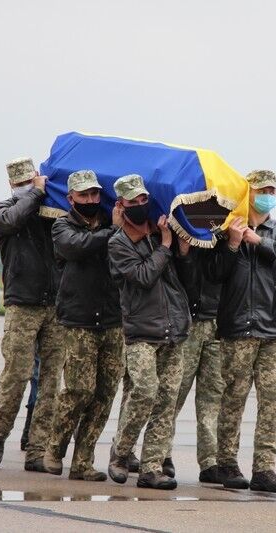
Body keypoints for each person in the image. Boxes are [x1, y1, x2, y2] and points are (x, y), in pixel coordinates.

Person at [204, 170, 276, 493]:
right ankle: (227, 462)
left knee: (271, 403)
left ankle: (264, 469)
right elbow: (213, 275)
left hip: (274, 330)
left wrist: (260, 242)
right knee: (233, 399)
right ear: (247, 194)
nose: (267, 194)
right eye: (260, 189)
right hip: (237, 328)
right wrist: (233, 244)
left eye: (272, 188)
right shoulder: (227, 231)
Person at [107, 174, 190, 490]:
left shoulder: (160, 235)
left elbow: (179, 277)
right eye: (133, 202)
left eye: (143, 199)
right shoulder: (118, 244)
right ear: (121, 205)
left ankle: (152, 468)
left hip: (173, 330)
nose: (140, 205)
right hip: (142, 331)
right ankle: (121, 452)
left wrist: (179, 248)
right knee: (144, 391)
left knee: (166, 402)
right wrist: (166, 247)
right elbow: (143, 276)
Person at [0, 157, 65, 471]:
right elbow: (13, 219)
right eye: (21, 185)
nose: (25, 188)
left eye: (29, 182)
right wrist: (35, 194)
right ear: (12, 186)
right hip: (22, 305)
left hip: (54, 306)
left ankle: (36, 449)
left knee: (49, 384)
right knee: (16, 376)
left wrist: (46, 198)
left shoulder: (51, 213)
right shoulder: (3, 210)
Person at [43, 170, 124, 481]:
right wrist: (114, 232)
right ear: (71, 198)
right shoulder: (63, 226)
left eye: (94, 195)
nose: (90, 200)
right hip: (79, 320)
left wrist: (117, 229)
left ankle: (83, 462)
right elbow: (76, 246)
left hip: (113, 319)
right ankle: (55, 447)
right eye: (84, 195)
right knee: (79, 390)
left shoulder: (110, 223)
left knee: (104, 394)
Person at [166, 239, 224, 482]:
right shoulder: (184, 229)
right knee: (173, 393)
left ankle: (210, 460)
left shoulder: (225, 233)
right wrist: (183, 251)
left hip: (217, 319)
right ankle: (161, 453)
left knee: (212, 398)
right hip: (187, 321)